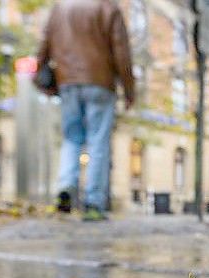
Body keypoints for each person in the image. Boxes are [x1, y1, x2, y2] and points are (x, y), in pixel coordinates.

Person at [36, 0, 135, 221]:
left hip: (67, 81)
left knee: (71, 138)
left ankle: (66, 186)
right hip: (100, 82)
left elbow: (44, 43)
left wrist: (40, 77)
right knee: (98, 141)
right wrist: (129, 89)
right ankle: (93, 202)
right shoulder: (108, 7)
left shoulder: (60, 7)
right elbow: (121, 49)